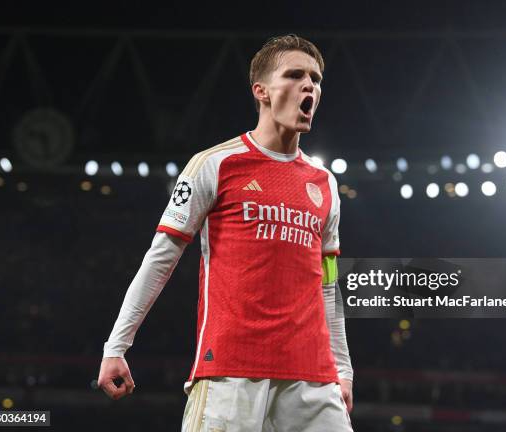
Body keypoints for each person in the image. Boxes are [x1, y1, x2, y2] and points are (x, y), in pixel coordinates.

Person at [98, 34, 354, 431]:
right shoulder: (215, 164)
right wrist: (116, 346)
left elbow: (329, 283)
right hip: (230, 373)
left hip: (312, 377)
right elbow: (160, 259)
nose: (310, 86)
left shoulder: (325, 184)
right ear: (262, 91)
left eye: (316, 79)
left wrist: (344, 368)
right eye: (295, 75)